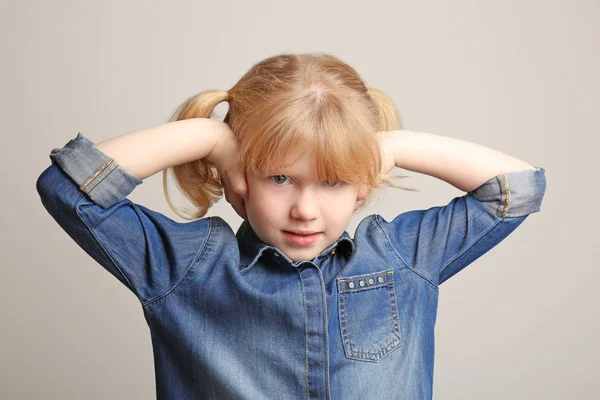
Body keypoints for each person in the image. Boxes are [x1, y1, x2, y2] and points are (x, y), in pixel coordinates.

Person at [35, 52, 547, 400]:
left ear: (362, 183)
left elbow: (517, 189)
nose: (305, 210)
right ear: (238, 178)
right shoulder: (185, 267)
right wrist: (209, 136)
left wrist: (385, 148)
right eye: (280, 178)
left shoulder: (405, 255)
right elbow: (67, 189)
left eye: (333, 181)